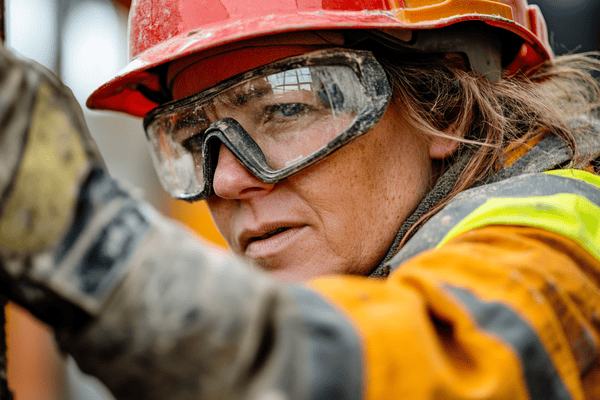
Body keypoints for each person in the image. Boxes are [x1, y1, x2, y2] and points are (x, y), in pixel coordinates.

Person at [1, 0, 600, 398]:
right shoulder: (356, 246)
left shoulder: (560, 251)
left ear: (444, 109)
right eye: (191, 138)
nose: (229, 180)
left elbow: (411, 371)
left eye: (286, 107)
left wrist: (86, 247)